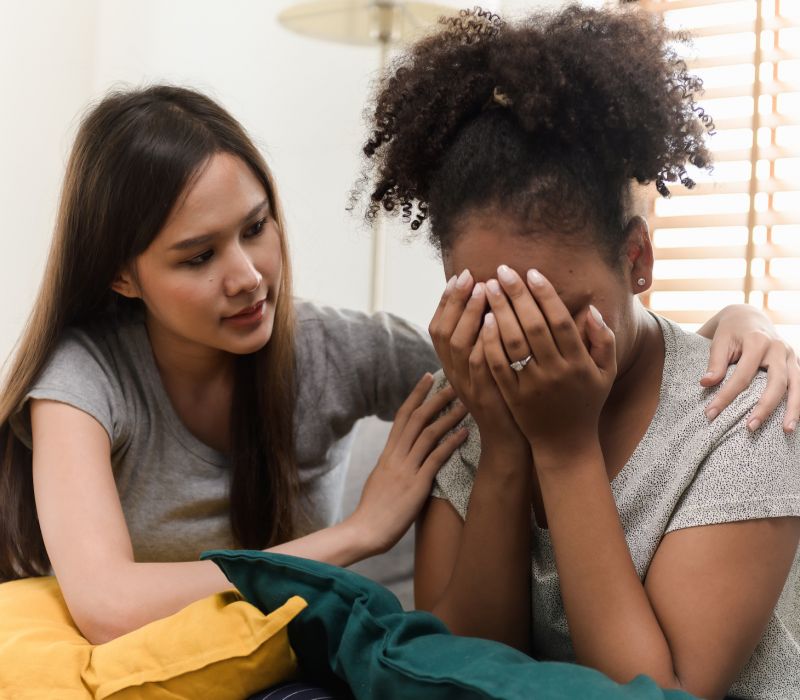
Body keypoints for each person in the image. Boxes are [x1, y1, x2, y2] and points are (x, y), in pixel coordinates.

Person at [0, 80, 791, 667]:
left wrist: (737, 320)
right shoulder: (84, 377)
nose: (246, 277)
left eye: (256, 228)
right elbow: (104, 605)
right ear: (123, 275)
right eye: (198, 257)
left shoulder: (340, 349)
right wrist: (361, 533)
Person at [358, 5, 800, 700]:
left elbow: (659, 690)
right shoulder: (467, 400)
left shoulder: (743, 421)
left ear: (637, 260)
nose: (519, 345)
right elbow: (467, 666)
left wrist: (562, 449)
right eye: (486, 308)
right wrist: (504, 445)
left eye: (556, 312)